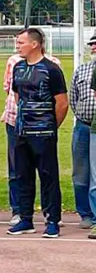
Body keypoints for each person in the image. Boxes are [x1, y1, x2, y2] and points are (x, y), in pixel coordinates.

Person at [7, 28, 69, 239]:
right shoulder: (18, 67)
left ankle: (52, 220)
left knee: (48, 176)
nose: (17, 46)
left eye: (21, 42)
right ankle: (25, 219)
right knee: (22, 175)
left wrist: (50, 125)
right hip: (21, 131)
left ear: (34, 44)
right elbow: (17, 96)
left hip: (44, 132)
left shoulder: (51, 69)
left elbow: (62, 103)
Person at [69, 34, 96, 231]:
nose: (93, 47)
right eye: (92, 44)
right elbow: (73, 98)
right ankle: (85, 213)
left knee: (95, 173)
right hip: (83, 125)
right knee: (80, 171)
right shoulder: (82, 70)